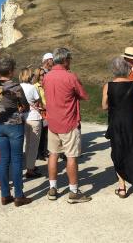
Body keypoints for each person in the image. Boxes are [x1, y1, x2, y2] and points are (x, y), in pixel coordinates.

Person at [43, 48, 92, 204]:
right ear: (65, 60)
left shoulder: (47, 77)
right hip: (69, 122)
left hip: (52, 122)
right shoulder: (71, 77)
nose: (70, 61)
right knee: (71, 156)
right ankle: (73, 191)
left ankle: (52, 188)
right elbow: (84, 95)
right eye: (69, 59)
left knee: (53, 154)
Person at [102, 57, 133, 198]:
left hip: (116, 123)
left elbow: (104, 106)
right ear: (126, 69)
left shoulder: (108, 86)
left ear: (113, 70)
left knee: (118, 152)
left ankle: (122, 187)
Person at [0, 58, 32, 207]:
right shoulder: (16, 86)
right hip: (14, 125)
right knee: (16, 160)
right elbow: (25, 105)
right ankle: (19, 196)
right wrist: (20, 107)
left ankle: (5, 195)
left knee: (4, 160)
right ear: (10, 71)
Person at [19, 67, 43, 178]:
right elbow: (39, 101)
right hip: (34, 116)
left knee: (27, 143)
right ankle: (30, 168)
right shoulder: (32, 87)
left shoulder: (19, 87)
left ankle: (29, 164)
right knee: (33, 145)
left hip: (23, 117)